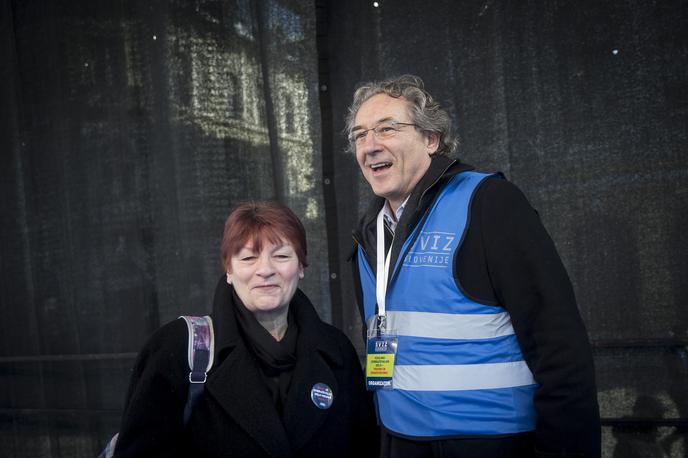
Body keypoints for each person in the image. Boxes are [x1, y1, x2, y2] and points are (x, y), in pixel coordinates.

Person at [347, 75, 601, 457]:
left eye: (388, 128)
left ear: (431, 140)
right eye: (359, 135)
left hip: (492, 444)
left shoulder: (488, 204)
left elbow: (560, 348)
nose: (370, 146)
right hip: (401, 442)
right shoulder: (368, 232)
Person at [113, 201, 378, 457]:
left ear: (301, 267)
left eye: (282, 256)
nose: (265, 270)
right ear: (228, 270)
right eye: (249, 257)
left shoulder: (337, 352)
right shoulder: (178, 350)